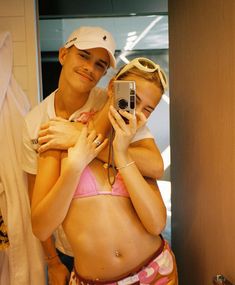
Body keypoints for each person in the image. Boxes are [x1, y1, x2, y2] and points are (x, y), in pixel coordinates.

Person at [22, 26, 164, 284]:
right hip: (75, 255)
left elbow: (155, 167)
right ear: (64, 54)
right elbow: (38, 212)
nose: (90, 68)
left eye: (100, 64)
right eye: (84, 56)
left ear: (107, 77)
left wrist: (80, 137)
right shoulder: (41, 125)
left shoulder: (125, 112)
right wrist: (52, 262)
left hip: (154, 267)